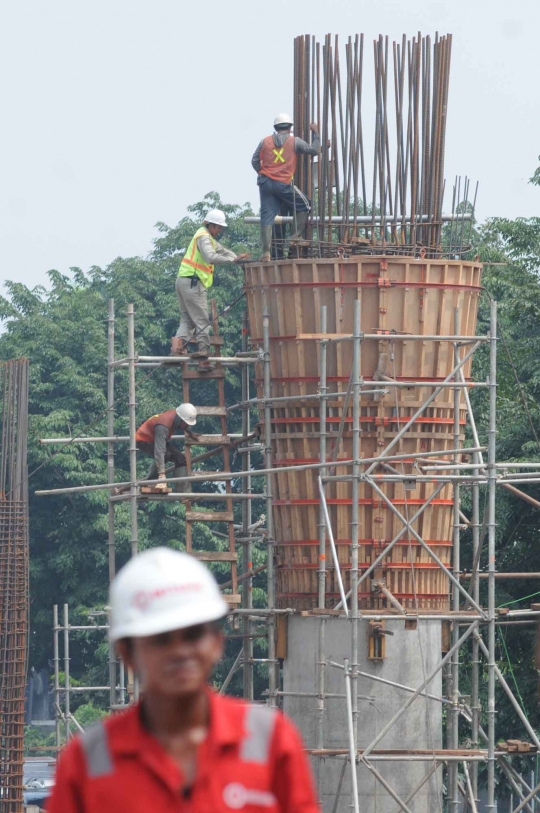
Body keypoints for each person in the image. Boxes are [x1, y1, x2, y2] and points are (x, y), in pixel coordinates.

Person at [47, 547, 321, 813]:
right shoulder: (86, 762)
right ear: (127, 653)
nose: (180, 651)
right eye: (161, 639)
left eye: (192, 635)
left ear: (216, 642)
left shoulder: (271, 740)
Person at [172, 209, 250, 367]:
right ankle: (203, 355)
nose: (220, 230)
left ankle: (177, 349)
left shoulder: (204, 236)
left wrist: (235, 258)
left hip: (184, 281)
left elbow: (222, 250)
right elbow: (211, 257)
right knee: (201, 319)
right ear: (211, 225)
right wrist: (233, 261)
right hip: (193, 282)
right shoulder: (204, 238)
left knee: (187, 319)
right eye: (219, 227)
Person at [252, 113, 321, 260]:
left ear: (276, 127)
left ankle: (265, 252)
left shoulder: (265, 141)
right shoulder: (294, 141)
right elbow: (314, 150)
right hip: (283, 183)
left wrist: (263, 173)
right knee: (305, 204)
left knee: (267, 216)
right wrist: (316, 133)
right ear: (289, 128)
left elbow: (254, 160)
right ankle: (295, 236)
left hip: (265, 183)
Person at [135, 404, 198, 493]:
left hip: (155, 438)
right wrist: (162, 475)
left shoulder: (177, 416)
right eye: (186, 423)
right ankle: (151, 482)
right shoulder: (163, 426)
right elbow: (159, 451)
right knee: (165, 454)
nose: (187, 425)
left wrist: (191, 433)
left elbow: (184, 425)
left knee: (180, 458)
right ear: (180, 419)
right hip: (144, 439)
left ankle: (184, 492)